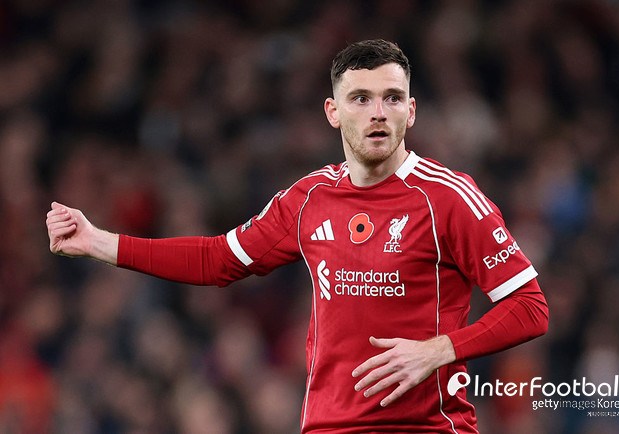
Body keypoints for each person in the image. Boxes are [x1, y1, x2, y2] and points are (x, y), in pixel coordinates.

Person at [47, 39, 549, 433]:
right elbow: (216, 260)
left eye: (392, 98)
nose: (378, 112)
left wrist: (439, 350)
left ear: (411, 111)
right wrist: (96, 242)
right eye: (361, 98)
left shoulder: (448, 198)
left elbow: (530, 307)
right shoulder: (309, 199)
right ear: (333, 112)